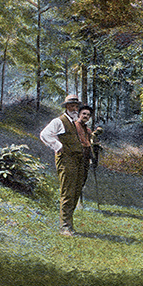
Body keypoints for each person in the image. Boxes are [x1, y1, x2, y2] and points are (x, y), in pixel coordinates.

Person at [39, 95, 95, 236]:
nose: (74, 108)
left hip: (79, 161)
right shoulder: (59, 121)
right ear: (66, 107)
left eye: (76, 106)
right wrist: (58, 146)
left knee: (76, 192)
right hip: (66, 161)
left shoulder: (75, 123)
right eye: (71, 106)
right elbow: (45, 134)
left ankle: (69, 225)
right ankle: (64, 227)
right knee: (67, 193)